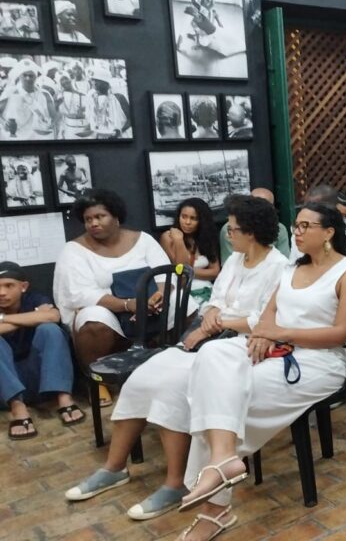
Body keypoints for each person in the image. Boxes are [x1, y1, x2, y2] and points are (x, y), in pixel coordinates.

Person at [64, 196, 288, 521]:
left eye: (233, 229)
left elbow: (264, 320)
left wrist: (216, 324)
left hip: (241, 345)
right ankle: (114, 467)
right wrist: (210, 316)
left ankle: (176, 483)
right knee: (144, 376)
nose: (228, 234)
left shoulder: (279, 267)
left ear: (251, 232)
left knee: (174, 386)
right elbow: (216, 297)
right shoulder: (237, 260)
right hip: (212, 333)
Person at [172, 202, 346, 540]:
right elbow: (269, 313)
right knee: (213, 356)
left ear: (329, 232)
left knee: (227, 396)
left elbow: (340, 334)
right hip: (277, 346)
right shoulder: (292, 268)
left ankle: (215, 511)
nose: (297, 232)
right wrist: (264, 332)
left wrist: (280, 333)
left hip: (319, 360)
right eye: (296, 225)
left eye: (306, 226)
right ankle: (223, 458)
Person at [53, 189, 186, 408]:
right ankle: (98, 381)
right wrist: (129, 305)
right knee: (91, 317)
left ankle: (178, 366)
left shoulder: (143, 240)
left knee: (186, 303)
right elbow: (81, 293)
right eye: (88, 219)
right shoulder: (74, 250)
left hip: (151, 305)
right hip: (110, 312)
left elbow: (165, 274)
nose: (93, 223)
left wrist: (157, 298)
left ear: (116, 217)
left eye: (100, 216)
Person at [0, 261, 83, 440]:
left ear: (23, 287)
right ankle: (18, 409)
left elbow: (53, 316)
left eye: (9, 286)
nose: (2, 292)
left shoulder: (34, 298)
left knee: (50, 330)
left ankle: (64, 399)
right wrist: (35, 317)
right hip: (4, 386)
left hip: (39, 379)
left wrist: (3, 319)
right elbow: (44, 315)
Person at [160, 198, 221, 306]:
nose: (187, 222)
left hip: (208, 290)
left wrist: (190, 271)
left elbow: (215, 272)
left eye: (193, 218)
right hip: (184, 293)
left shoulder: (207, 238)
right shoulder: (168, 238)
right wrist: (179, 240)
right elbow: (181, 271)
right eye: (184, 217)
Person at [218, 188, 290, 261]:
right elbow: (228, 261)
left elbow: (285, 259)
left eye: (264, 208)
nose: (258, 212)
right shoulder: (230, 229)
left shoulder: (280, 229)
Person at [3, 60, 55, 140]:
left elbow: (53, 117)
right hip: (19, 139)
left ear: (36, 77)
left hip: (41, 138)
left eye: (31, 76)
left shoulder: (45, 94)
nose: (28, 78)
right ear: (20, 76)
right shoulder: (11, 93)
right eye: (25, 75)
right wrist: (5, 124)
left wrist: (48, 124)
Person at [85, 67, 130, 139]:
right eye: (93, 80)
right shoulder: (91, 98)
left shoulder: (118, 97)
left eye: (97, 80)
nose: (94, 83)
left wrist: (120, 131)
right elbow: (91, 121)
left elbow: (131, 119)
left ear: (106, 82)